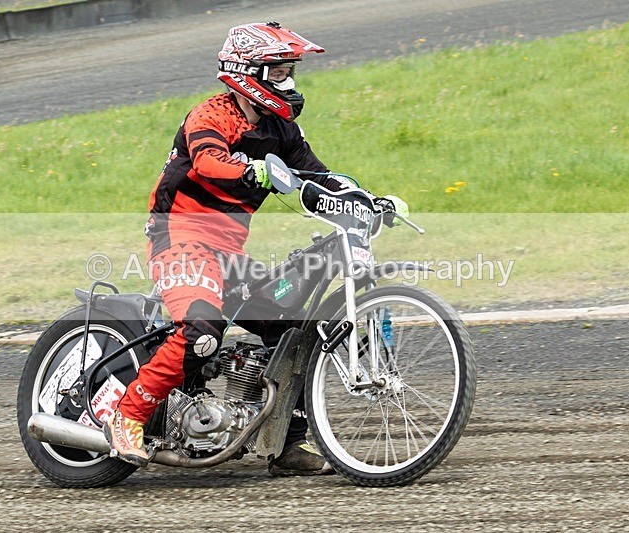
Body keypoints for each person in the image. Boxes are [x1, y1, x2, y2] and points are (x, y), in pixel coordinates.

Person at [104, 22, 407, 476]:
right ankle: (127, 416)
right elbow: (207, 159)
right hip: (180, 240)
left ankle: (285, 443)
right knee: (202, 332)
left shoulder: (282, 130)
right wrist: (253, 169)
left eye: (291, 73)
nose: (290, 83)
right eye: (281, 73)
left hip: (226, 254)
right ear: (250, 75)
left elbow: (319, 176)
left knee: (295, 328)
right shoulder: (210, 115)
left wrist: (365, 199)